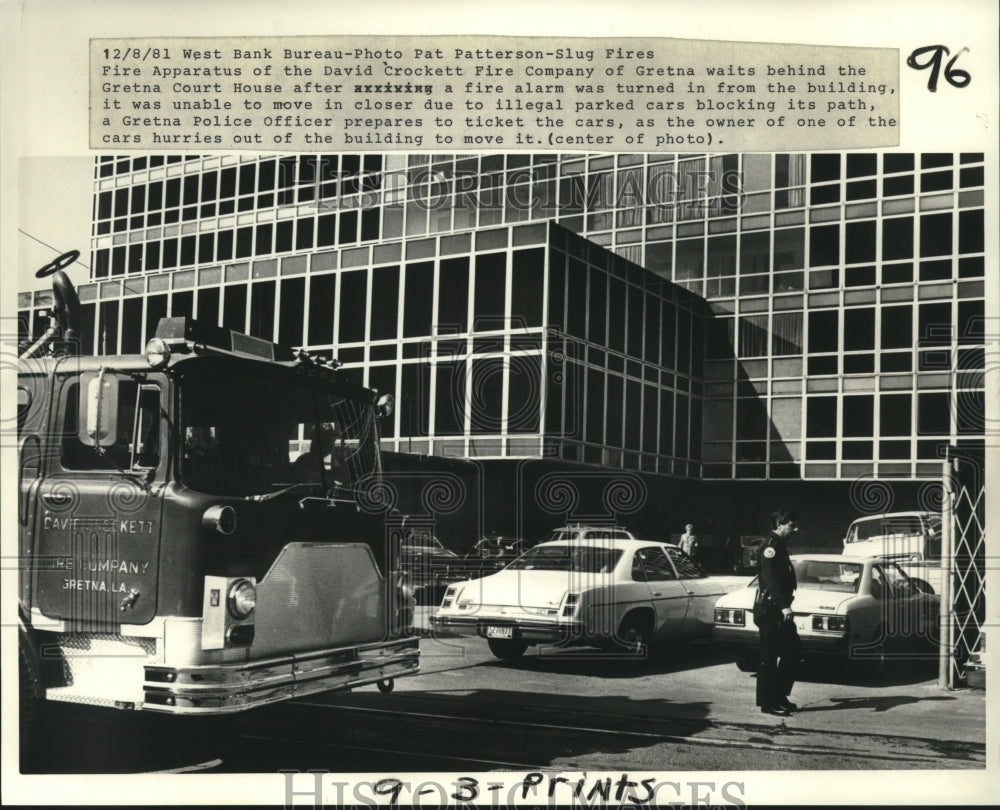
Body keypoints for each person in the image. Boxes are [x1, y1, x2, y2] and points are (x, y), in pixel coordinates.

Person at [753, 509, 804, 718]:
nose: (796, 529)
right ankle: (768, 702)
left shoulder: (780, 545)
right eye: (792, 525)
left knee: (794, 651)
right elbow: (770, 578)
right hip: (771, 609)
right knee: (769, 655)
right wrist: (784, 606)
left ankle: (779, 695)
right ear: (780, 524)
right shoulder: (770, 546)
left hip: (779, 609)